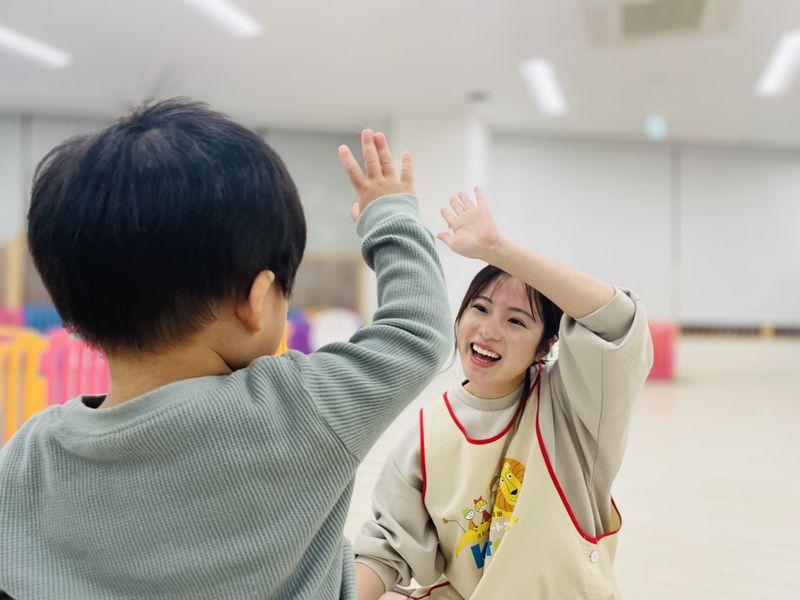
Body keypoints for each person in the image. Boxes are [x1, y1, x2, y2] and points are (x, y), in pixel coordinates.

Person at [0, 99, 452, 599]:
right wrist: (390, 214)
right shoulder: (297, 408)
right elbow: (418, 329)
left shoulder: (27, 455)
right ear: (256, 301)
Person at [354, 188, 653, 599]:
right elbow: (387, 549)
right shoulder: (426, 432)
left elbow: (618, 323)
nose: (488, 330)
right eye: (479, 308)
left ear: (545, 347)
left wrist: (498, 249)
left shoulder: (573, 408)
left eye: (516, 321)